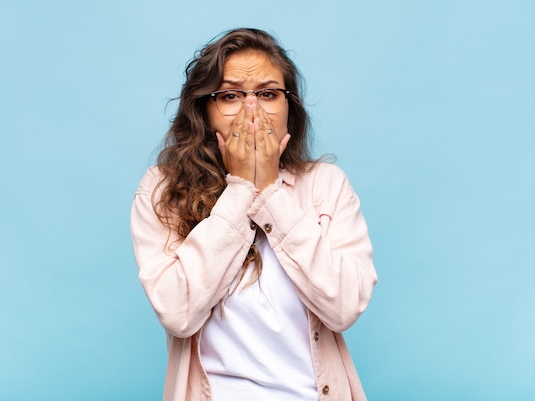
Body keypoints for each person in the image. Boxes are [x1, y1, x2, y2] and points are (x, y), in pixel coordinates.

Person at [130, 28, 377, 401]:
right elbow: (177, 313)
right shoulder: (162, 189)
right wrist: (241, 189)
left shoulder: (328, 185)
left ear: (289, 107)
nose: (252, 111)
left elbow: (343, 308)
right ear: (204, 111)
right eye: (230, 95)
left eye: (267, 94)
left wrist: (270, 192)